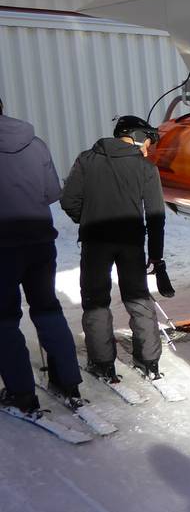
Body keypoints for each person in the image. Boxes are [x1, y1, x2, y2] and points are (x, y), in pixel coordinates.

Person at [61, 115, 169, 381]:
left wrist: (88, 219)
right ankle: (149, 361)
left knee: (95, 300)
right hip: (131, 243)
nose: (148, 148)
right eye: (147, 140)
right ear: (134, 136)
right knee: (138, 298)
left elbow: (69, 200)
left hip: (95, 242)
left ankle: (102, 364)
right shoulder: (145, 168)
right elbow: (156, 216)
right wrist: (156, 255)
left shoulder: (86, 160)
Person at [0, 97, 84, 413]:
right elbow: (51, 193)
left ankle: (21, 394)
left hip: (3, 247)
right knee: (47, 308)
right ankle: (68, 381)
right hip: (39, 242)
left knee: (4, 320)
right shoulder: (35, 143)